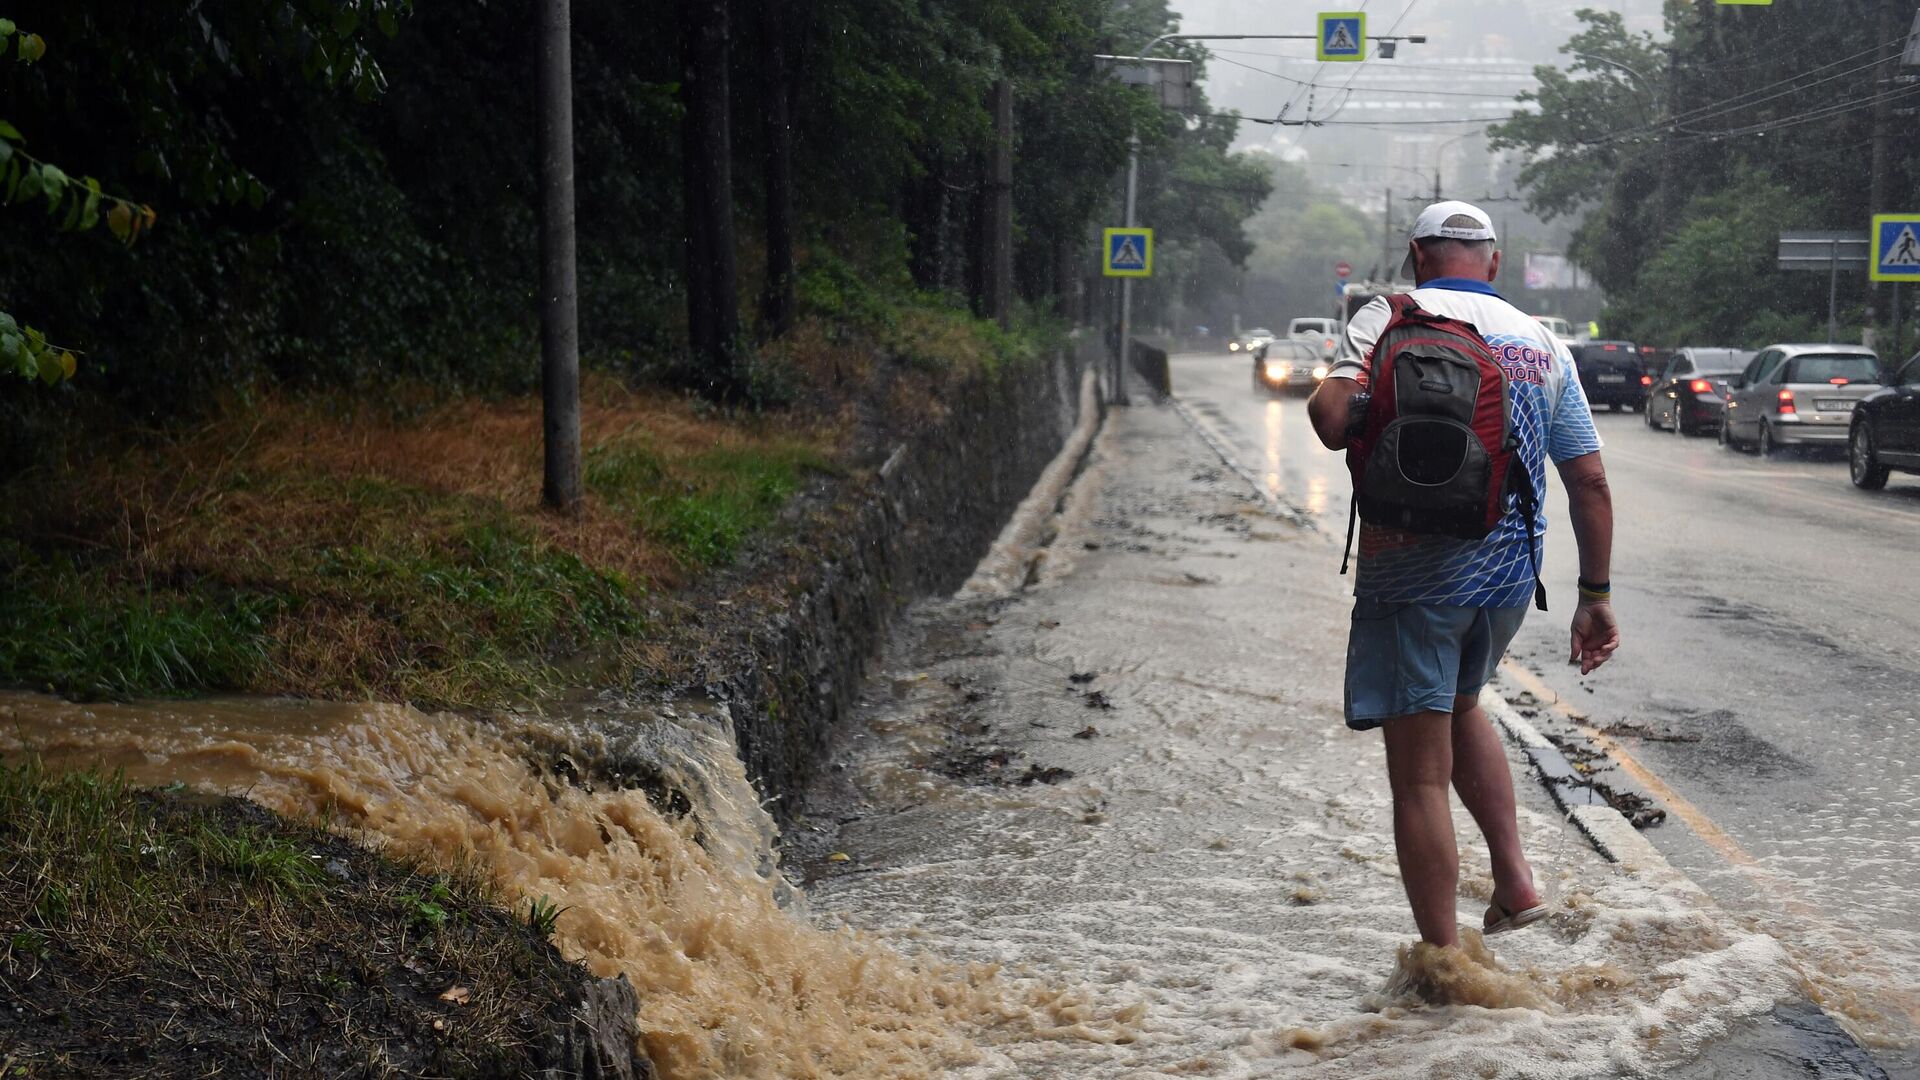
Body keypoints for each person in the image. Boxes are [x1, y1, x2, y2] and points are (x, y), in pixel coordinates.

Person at [1306, 202, 1620, 948]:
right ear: (1495, 262)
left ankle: (1444, 967)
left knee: (1417, 777)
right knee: (1463, 703)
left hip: (1411, 573)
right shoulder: (1543, 340)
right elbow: (1590, 482)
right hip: (1509, 581)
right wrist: (1596, 597)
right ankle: (1515, 884)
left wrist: (1351, 384)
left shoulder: (1390, 313)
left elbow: (1327, 420)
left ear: (1418, 254)